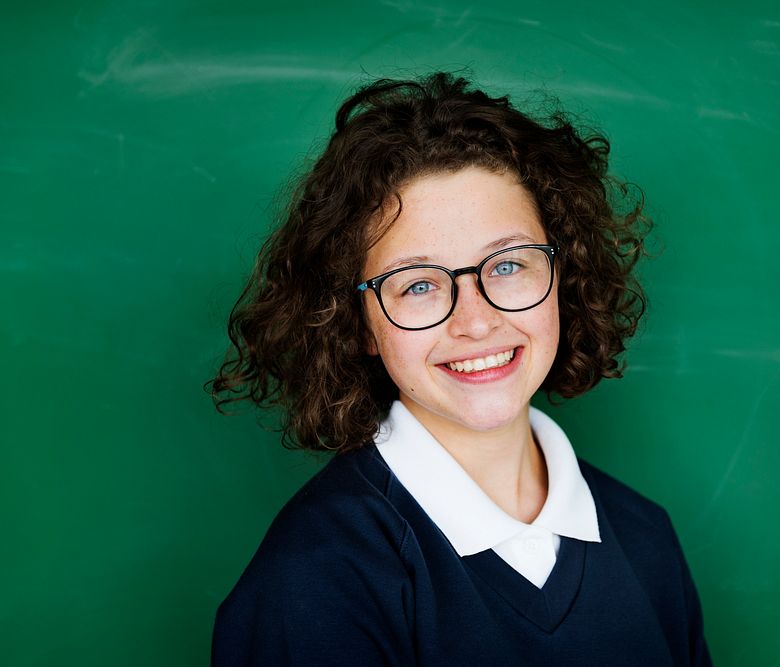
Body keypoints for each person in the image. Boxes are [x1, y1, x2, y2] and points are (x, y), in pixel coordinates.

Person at [209, 72, 711, 666]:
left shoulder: (645, 538)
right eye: (418, 283)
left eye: (506, 265)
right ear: (358, 323)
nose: (474, 322)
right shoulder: (315, 582)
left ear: (562, 278)